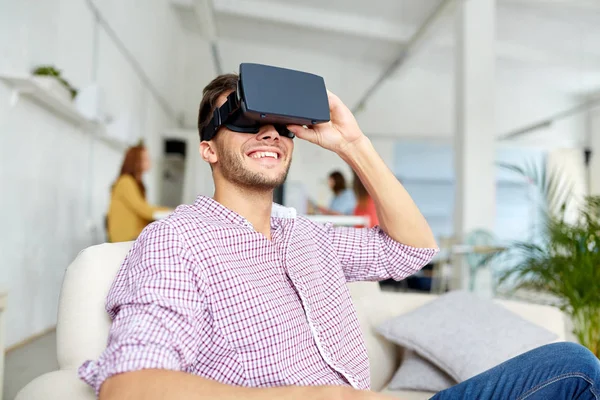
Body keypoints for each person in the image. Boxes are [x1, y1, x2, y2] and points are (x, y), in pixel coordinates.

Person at [80, 73, 600, 400]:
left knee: (573, 367)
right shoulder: (178, 241)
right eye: (241, 118)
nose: (268, 132)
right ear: (208, 149)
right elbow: (130, 384)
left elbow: (415, 249)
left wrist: (353, 143)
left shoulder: (310, 236)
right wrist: (319, 396)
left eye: (280, 125)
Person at [106, 144, 170, 242]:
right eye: (145, 158)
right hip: (125, 237)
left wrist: (170, 211)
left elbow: (145, 207)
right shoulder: (125, 181)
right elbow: (142, 208)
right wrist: (172, 212)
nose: (149, 161)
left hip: (135, 234)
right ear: (136, 162)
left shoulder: (136, 183)